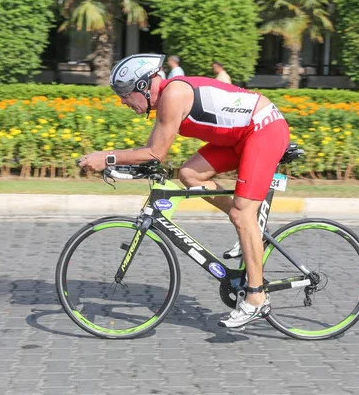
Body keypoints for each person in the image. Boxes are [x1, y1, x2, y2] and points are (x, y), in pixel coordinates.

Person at [79, 53, 290, 328]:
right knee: (190, 175)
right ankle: (251, 226)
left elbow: (154, 153)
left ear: (143, 86)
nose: (123, 101)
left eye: (125, 94)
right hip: (239, 137)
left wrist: (106, 157)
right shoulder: (166, 99)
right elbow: (149, 154)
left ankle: (256, 297)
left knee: (242, 214)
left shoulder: (173, 95)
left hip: (263, 130)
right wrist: (121, 167)